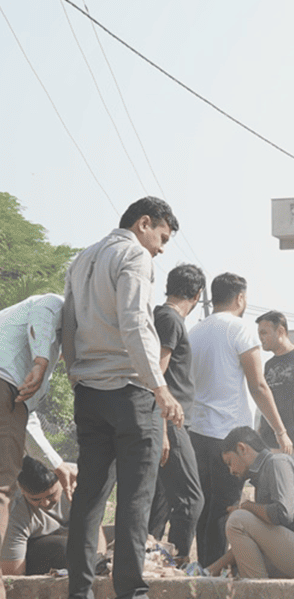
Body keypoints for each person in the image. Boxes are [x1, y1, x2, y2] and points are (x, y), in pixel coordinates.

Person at [61, 196, 184, 599]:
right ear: (143, 223)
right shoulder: (134, 255)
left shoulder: (82, 259)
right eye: (161, 237)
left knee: (89, 500)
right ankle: (131, 593)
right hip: (131, 392)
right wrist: (160, 387)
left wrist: (76, 378)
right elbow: (134, 322)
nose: (161, 248)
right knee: (136, 499)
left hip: (90, 393)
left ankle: (79, 593)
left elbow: (69, 325)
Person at [188, 273, 293, 568]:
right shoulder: (241, 330)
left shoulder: (195, 331)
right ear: (240, 298)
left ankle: (208, 568)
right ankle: (217, 572)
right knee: (225, 506)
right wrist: (280, 431)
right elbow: (258, 385)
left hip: (197, 432)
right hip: (229, 436)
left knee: (205, 505)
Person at [206, 426, 294, 580]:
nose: (231, 470)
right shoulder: (262, 473)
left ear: (242, 449)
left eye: (229, 462)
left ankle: (257, 591)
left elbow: (282, 514)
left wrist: (247, 506)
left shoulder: (278, 463)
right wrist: (211, 570)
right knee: (236, 566)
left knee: (238, 519)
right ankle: (254, 587)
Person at [0, 292, 76, 553]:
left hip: (10, 397)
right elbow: (43, 313)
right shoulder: (55, 304)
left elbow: (26, 422)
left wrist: (56, 464)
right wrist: (41, 362)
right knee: (2, 488)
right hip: (3, 387)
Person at [148, 264, 207, 567]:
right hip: (169, 421)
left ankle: (150, 562)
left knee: (160, 503)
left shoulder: (162, 317)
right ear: (198, 295)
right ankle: (178, 564)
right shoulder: (170, 319)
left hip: (167, 421)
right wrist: (163, 432)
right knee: (190, 499)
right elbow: (156, 375)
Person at [1, 457, 72, 575]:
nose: (46, 503)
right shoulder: (14, 511)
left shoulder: (77, 483)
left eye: (51, 495)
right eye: (36, 499)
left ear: (61, 480)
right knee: (65, 547)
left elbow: (95, 530)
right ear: (22, 490)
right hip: (31, 553)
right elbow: (12, 573)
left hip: (70, 539)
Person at [256, 310, 294, 450]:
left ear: (280, 331)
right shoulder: (268, 364)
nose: (260, 338)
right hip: (269, 441)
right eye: (259, 334)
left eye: (264, 333)